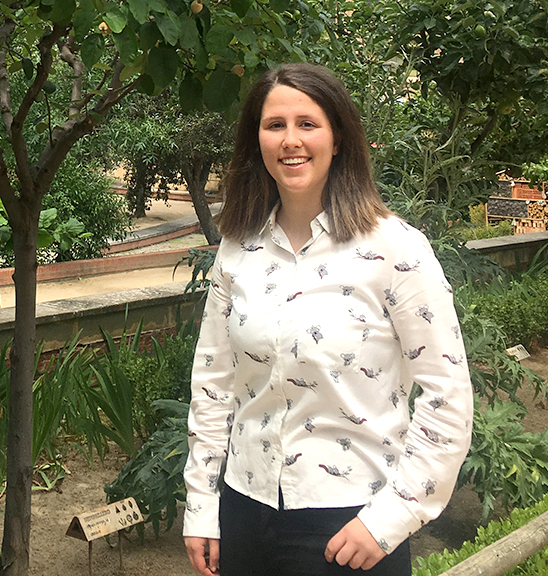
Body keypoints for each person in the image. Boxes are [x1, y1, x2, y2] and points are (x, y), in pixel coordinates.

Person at [182, 63, 473, 576]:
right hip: (245, 511)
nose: (290, 140)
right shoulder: (238, 249)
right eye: (274, 125)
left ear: (338, 138)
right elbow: (213, 383)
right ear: (258, 142)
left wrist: (393, 515)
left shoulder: (395, 250)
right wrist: (203, 506)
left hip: (351, 525)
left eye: (307, 123)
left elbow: (448, 395)